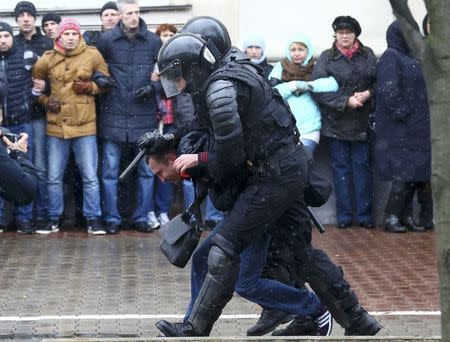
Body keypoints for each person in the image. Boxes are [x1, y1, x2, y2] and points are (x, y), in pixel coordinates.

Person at [153, 22, 381, 336]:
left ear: (193, 67)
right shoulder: (229, 75)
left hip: (273, 175)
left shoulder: (221, 87)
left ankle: (196, 326)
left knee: (225, 247)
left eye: (178, 75)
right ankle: (356, 319)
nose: (177, 83)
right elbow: (209, 129)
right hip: (282, 170)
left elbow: (228, 155)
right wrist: (170, 141)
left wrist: (199, 159)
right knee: (300, 254)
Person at [142, 130, 332, 337]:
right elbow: (194, 126)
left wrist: (200, 159)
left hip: (254, 215)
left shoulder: (198, 155)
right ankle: (193, 326)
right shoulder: (189, 156)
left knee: (246, 284)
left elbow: (233, 156)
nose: (162, 180)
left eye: (160, 173)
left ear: (172, 159)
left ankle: (316, 308)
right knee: (202, 259)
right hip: (238, 215)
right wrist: (165, 138)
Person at [32, 18, 109, 235]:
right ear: (59, 37)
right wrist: (46, 101)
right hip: (57, 127)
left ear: (79, 35)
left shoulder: (92, 54)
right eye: (67, 34)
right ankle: (53, 218)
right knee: (54, 176)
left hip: (85, 126)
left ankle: (93, 219)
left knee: (90, 176)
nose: (71, 37)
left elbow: (106, 83)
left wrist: (89, 86)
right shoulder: (47, 59)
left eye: (74, 33)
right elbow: (36, 89)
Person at [96, 0, 162, 234]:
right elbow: (94, 66)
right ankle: (112, 218)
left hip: (143, 115)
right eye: (129, 13)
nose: (133, 17)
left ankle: (142, 217)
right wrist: (99, 79)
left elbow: (167, 75)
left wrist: (153, 89)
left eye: (137, 12)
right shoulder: (106, 40)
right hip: (113, 112)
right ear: (121, 16)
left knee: (146, 171)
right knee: (109, 171)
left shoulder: (154, 41)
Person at [311, 16, 376, 229]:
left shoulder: (368, 55)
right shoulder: (326, 59)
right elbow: (318, 90)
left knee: (362, 169)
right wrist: (345, 101)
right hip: (336, 124)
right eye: (340, 32)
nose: (344, 36)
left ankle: (365, 216)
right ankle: (345, 216)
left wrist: (367, 94)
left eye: (348, 32)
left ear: (355, 34)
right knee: (341, 171)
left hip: (362, 123)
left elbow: (380, 83)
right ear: (335, 35)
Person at [374, 20, 433, 233]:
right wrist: (405, 111)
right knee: (404, 174)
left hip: (417, 127)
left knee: (414, 174)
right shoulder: (391, 56)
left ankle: (405, 216)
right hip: (400, 128)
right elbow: (388, 91)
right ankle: (391, 216)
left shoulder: (413, 56)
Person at [13, 1, 54, 230]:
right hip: (17, 114)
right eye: (21, 15)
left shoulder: (46, 43)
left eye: (29, 15)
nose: (26, 19)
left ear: (34, 18)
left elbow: (56, 76)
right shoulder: (11, 42)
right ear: (17, 20)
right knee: (19, 165)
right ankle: (22, 217)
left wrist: (46, 86)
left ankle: (43, 214)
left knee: (40, 166)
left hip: (39, 113)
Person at [269, 33, 338, 156]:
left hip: (309, 128)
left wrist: (309, 85)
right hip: (285, 128)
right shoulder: (280, 67)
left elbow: (332, 84)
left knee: (304, 161)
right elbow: (271, 92)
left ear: (308, 50)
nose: (296, 53)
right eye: (293, 49)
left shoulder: (315, 67)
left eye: (301, 49)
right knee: (291, 168)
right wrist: (292, 86)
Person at [0, 21, 38, 234]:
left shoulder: (26, 56)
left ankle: (24, 220)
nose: (2, 40)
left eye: (5, 35)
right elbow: (26, 188)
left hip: (20, 120)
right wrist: (19, 156)